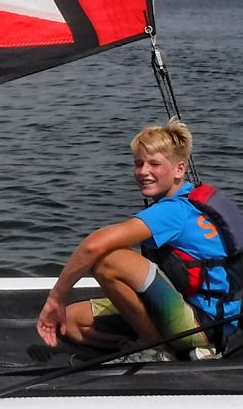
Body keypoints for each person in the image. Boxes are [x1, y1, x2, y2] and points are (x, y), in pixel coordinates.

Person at [36, 119, 239, 361]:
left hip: (200, 326)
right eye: (138, 163)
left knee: (108, 259)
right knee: (70, 322)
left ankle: (157, 350)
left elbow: (93, 245)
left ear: (179, 169)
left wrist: (56, 298)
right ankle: (161, 344)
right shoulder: (193, 201)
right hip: (207, 316)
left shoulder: (173, 212)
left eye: (154, 164)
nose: (143, 171)